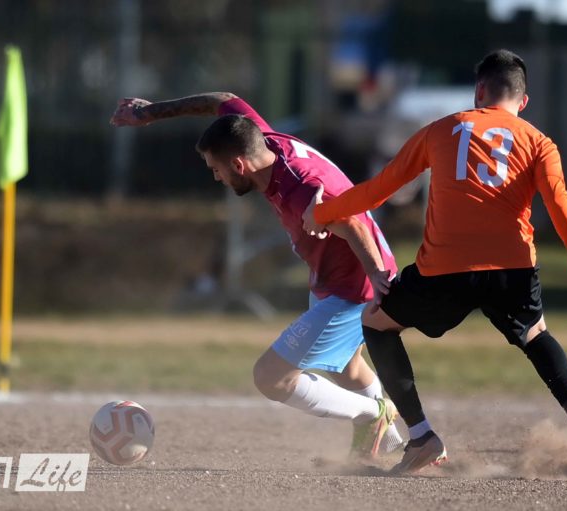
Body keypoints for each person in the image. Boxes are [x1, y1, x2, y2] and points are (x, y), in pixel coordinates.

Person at [303, 49, 567, 476]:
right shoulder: (538, 142)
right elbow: (560, 204)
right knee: (536, 335)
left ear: (479, 91)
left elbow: (380, 189)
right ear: (523, 101)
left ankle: (422, 436)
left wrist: (323, 213)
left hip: (444, 270)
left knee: (377, 323)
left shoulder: (442, 129)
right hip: (512, 268)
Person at [110, 92, 404, 458]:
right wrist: (151, 113)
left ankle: (373, 414)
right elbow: (222, 100)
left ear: (239, 164)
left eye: (216, 169)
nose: (216, 177)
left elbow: (350, 223)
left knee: (271, 377)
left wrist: (377, 275)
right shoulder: (262, 139)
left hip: (354, 288)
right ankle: (394, 445)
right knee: (346, 367)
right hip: (336, 276)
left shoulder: (300, 189)